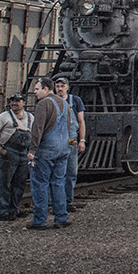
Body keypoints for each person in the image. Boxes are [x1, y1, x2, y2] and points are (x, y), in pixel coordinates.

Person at [26, 77, 72, 230]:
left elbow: (37, 128)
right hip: (63, 149)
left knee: (40, 184)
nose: (35, 92)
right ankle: (61, 218)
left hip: (46, 150)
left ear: (46, 89)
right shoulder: (65, 104)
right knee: (58, 183)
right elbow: (68, 127)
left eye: (37, 89)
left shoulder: (43, 104)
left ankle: (39, 221)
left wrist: (32, 150)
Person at [0, 93, 31, 221]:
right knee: (4, 184)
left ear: (23, 103)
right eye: (12, 101)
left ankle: (13, 210)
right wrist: (1, 150)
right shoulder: (4, 117)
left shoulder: (30, 117)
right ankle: (1, 212)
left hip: (23, 154)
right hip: (8, 154)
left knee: (20, 184)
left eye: (17, 101)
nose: (14, 103)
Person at [53, 76, 86, 212]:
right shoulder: (51, 101)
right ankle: (54, 201)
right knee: (56, 171)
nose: (60, 89)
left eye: (62, 86)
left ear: (67, 87)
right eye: (58, 86)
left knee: (71, 170)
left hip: (71, 138)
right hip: (55, 139)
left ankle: (68, 201)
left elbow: (81, 121)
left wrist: (82, 140)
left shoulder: (75, 100)